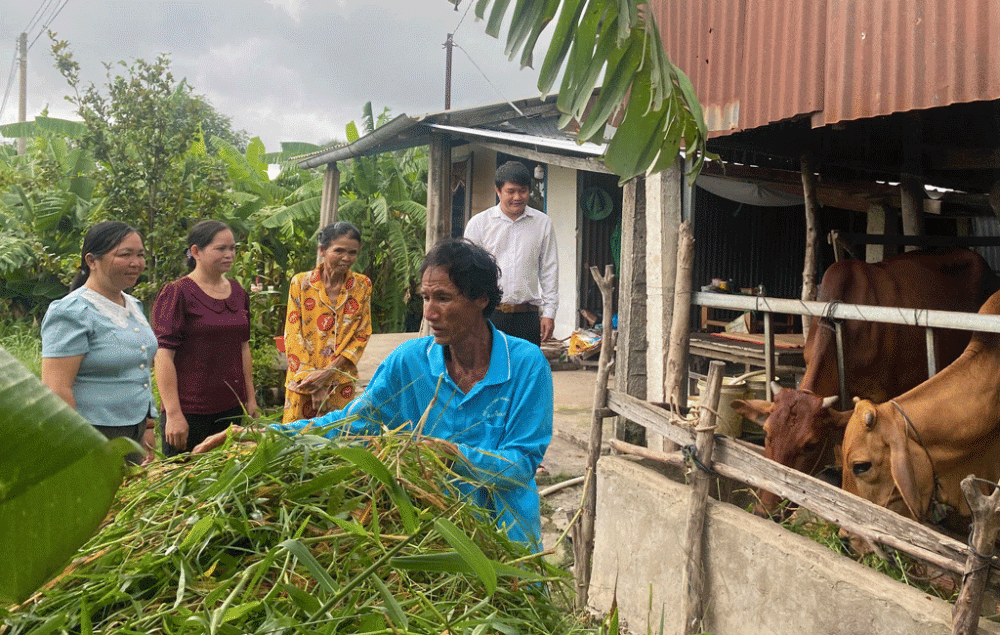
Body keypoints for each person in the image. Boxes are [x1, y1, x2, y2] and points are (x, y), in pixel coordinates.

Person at [195, 238, 553, 551]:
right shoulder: (408, 362)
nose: (429, 313)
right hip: (429, 535)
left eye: (443, 298)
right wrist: (264, 436)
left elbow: (519, 466)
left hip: (505, 538)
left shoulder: (524, 365)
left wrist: (447, 454)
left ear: (480, 299)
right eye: (426, 297)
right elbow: (351, 422)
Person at [41, 221, 158, 463]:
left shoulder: (133, 306)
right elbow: (56, 388)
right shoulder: (71, 311)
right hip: (94, 433)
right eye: (125, 255)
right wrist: (76, 443)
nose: (136, 263)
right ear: (92, 260)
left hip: (134, 429)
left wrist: (148, 425)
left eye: (140, 255)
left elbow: (141, 369)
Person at [152, 220, 259, 456]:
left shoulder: (238, 292)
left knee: (226, 481)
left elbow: (243, 348)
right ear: (195, 252)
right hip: (190, 412)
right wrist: (173, 414)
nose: (229, 254)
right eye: (221, 248)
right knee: (182, 483)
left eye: (232, 248)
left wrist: (250, 400)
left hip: (231, 409)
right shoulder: (176, 292)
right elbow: (163, 355)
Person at [282, 222, 372, 423]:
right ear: (322, 250)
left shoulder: (362, 285)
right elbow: (293, 333)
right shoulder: (301, 283)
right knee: (297, 443)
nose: (346, 258)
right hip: (303, 383)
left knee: (337, 440)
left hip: (341, 382)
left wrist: (328, 374)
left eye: (352, 252)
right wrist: (314, 382)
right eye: (339, 250)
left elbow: (362, 333)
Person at [464, 160, 558, 346]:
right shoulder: (479, 224)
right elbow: (468, 271)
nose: (517, 197)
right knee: (488, 371)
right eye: (510, 191)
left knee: (526, 372)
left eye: (522, 191)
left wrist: (549, 313)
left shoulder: (543, 223)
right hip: (489, 315)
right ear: (498, 190)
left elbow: (549, 270)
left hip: (528, 317)